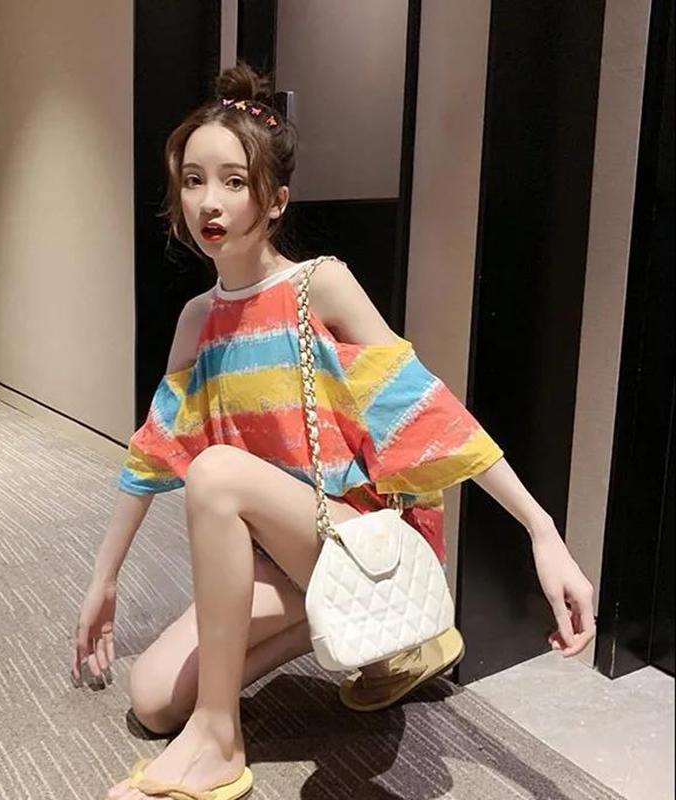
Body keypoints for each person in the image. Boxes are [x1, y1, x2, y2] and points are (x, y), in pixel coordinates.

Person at [71, 62, 596, 800]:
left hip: (350, 536)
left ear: (275, 199)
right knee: (154, 701)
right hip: (275, 555)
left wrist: (543, 531)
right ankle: (374, 643)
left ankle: (219, 740)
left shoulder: (318, 284)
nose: (208, 202)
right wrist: (103, 581)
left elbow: (426, 409)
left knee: (216, 472)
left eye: (233, 181)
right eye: (193, 180)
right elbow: (154, 449)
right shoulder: (198, 320)